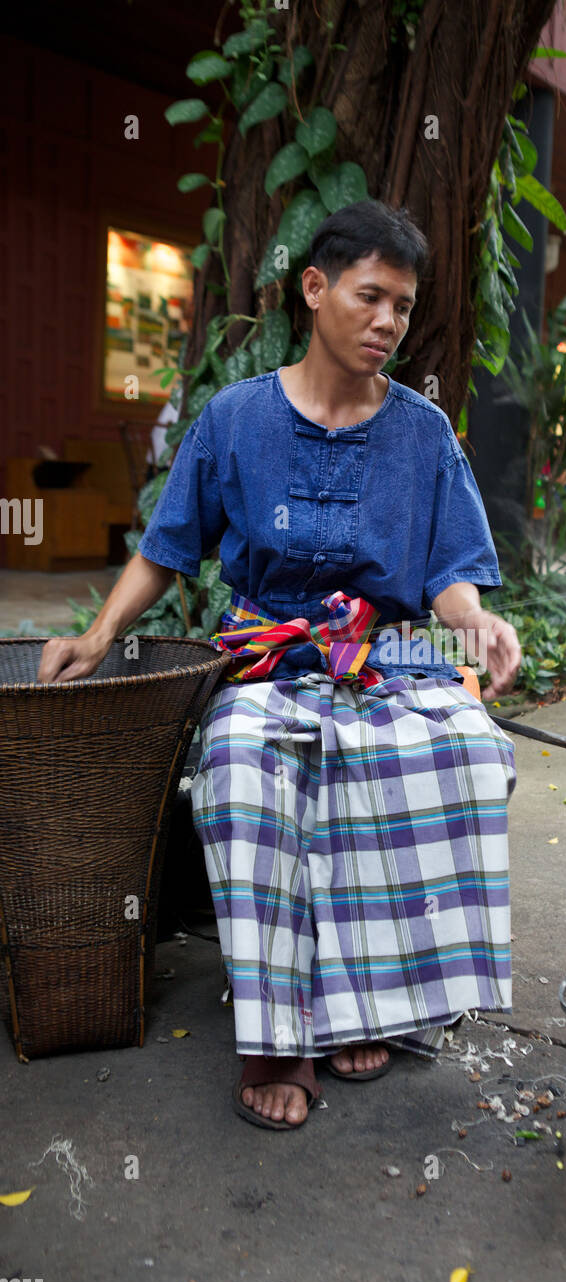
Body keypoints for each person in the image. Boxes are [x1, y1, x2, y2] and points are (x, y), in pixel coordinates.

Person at [37, 199, 522, 1129]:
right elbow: (167, 548)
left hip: (387, 656)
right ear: (315, 288)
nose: (388, 323)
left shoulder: (424, 434)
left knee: (466, 748)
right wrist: (97, 637)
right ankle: (279, 1038)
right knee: (247, 768)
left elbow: (453, 574)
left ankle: (369, 1003)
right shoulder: (235, 421)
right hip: (267, 656)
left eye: (404, 308)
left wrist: (475, 623)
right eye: (371, 297)